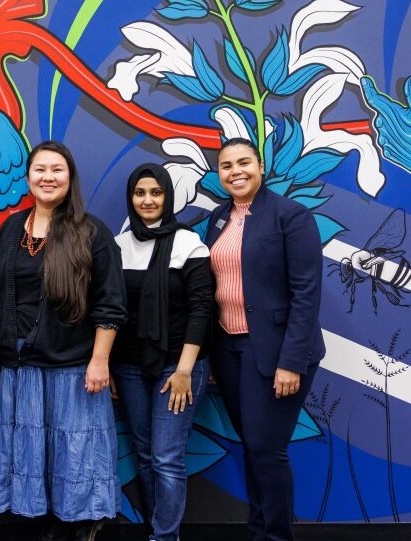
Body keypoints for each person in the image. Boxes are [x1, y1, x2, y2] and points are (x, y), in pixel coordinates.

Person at [0, 140, 127, 541]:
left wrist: (100, 360)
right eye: (40, 169)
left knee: (72, 455)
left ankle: (75, 527)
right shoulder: (11, 229)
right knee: (29, 453)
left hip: (72, 367)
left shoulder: (91, 232)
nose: (48, 177)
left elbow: (111, 303)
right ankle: (39, 525)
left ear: (70, 177)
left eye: (57, 170)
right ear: (28, 178)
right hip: (19, 366)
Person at [204, 138, 324, 541]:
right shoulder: (218, 219)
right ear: (218, 174)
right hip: (230, 351)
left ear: (260, 165)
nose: (235, 171)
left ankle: (274, 537)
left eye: (243, 163)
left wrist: (291, 361)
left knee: (265, 450)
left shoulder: (291, 215)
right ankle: (261, 532)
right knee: (254, 449)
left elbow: (306, 295)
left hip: (277, 353)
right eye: (226, 166)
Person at [110, 164, 213, 541]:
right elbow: (110, 310)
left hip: (178, 366)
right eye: (140, 193)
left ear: (168, 197)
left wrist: (184, 369)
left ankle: (165, 537)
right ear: (131, 198)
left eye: (156, 192)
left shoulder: (189, 243)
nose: (148, 200)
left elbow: (202, 309)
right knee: (145, 453)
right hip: (130, 367)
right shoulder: (118, 246)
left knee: (167, 457)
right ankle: (158, 529)